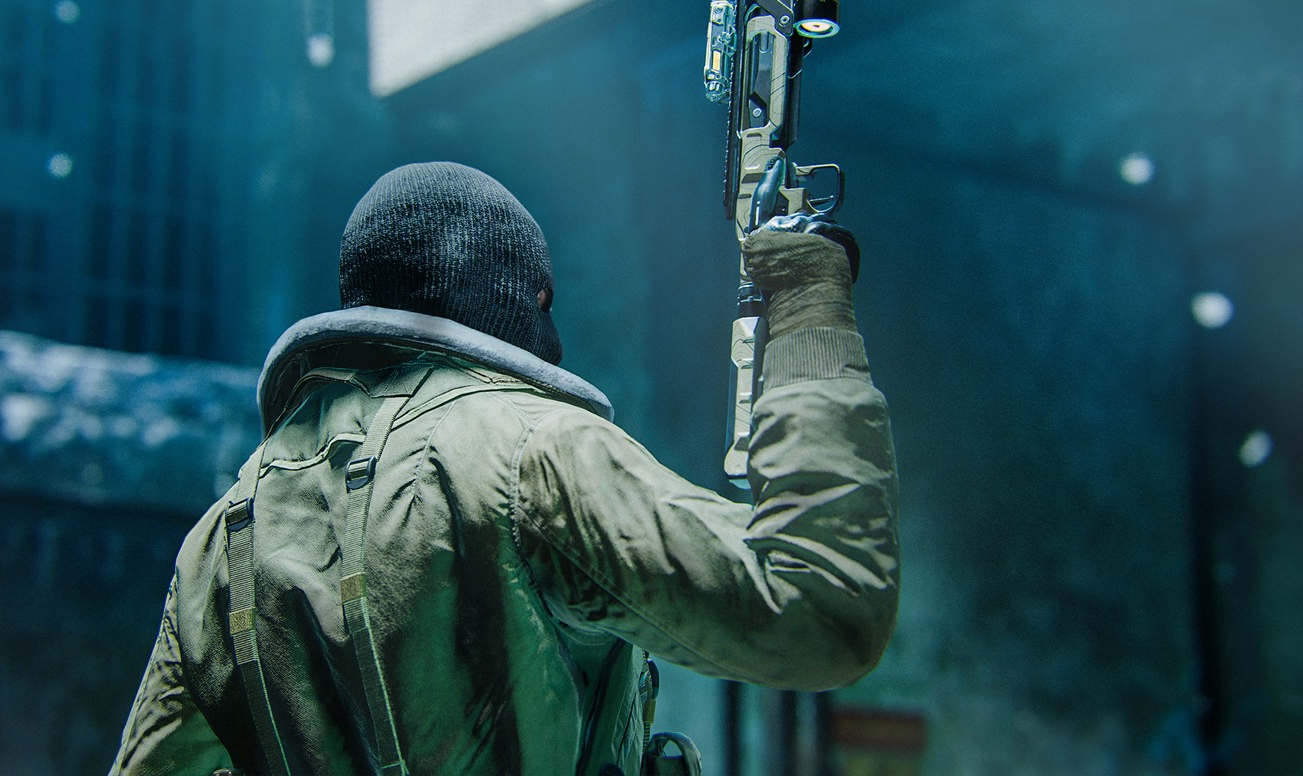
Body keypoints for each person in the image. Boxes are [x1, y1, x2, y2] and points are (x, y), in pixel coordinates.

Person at [110, 162, 897, 775]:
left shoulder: (218, 540)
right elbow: (822, 606)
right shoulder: (537, 451)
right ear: (530, 295)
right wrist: (807, 304)